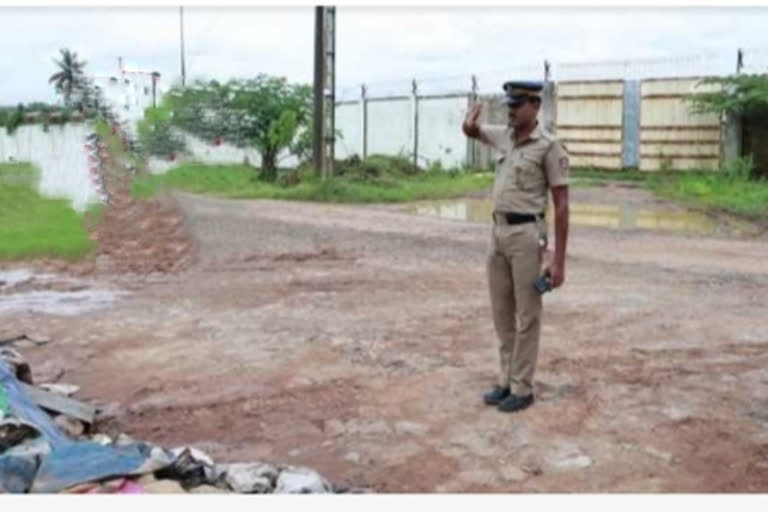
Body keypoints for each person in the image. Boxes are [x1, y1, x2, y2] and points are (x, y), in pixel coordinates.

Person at [462, 81, 570, 413]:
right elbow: (474, 132)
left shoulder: (549, 147)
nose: (510, 110)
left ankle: (523, 387)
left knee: (528, 315)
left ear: (535, 106)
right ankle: (506, 380)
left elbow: (562, 205)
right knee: (502, 314)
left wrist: (558, 262)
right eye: (509, 104)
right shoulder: (506, 136)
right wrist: (469, 126)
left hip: (527, 235)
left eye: (517, 105)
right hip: (498, 233)